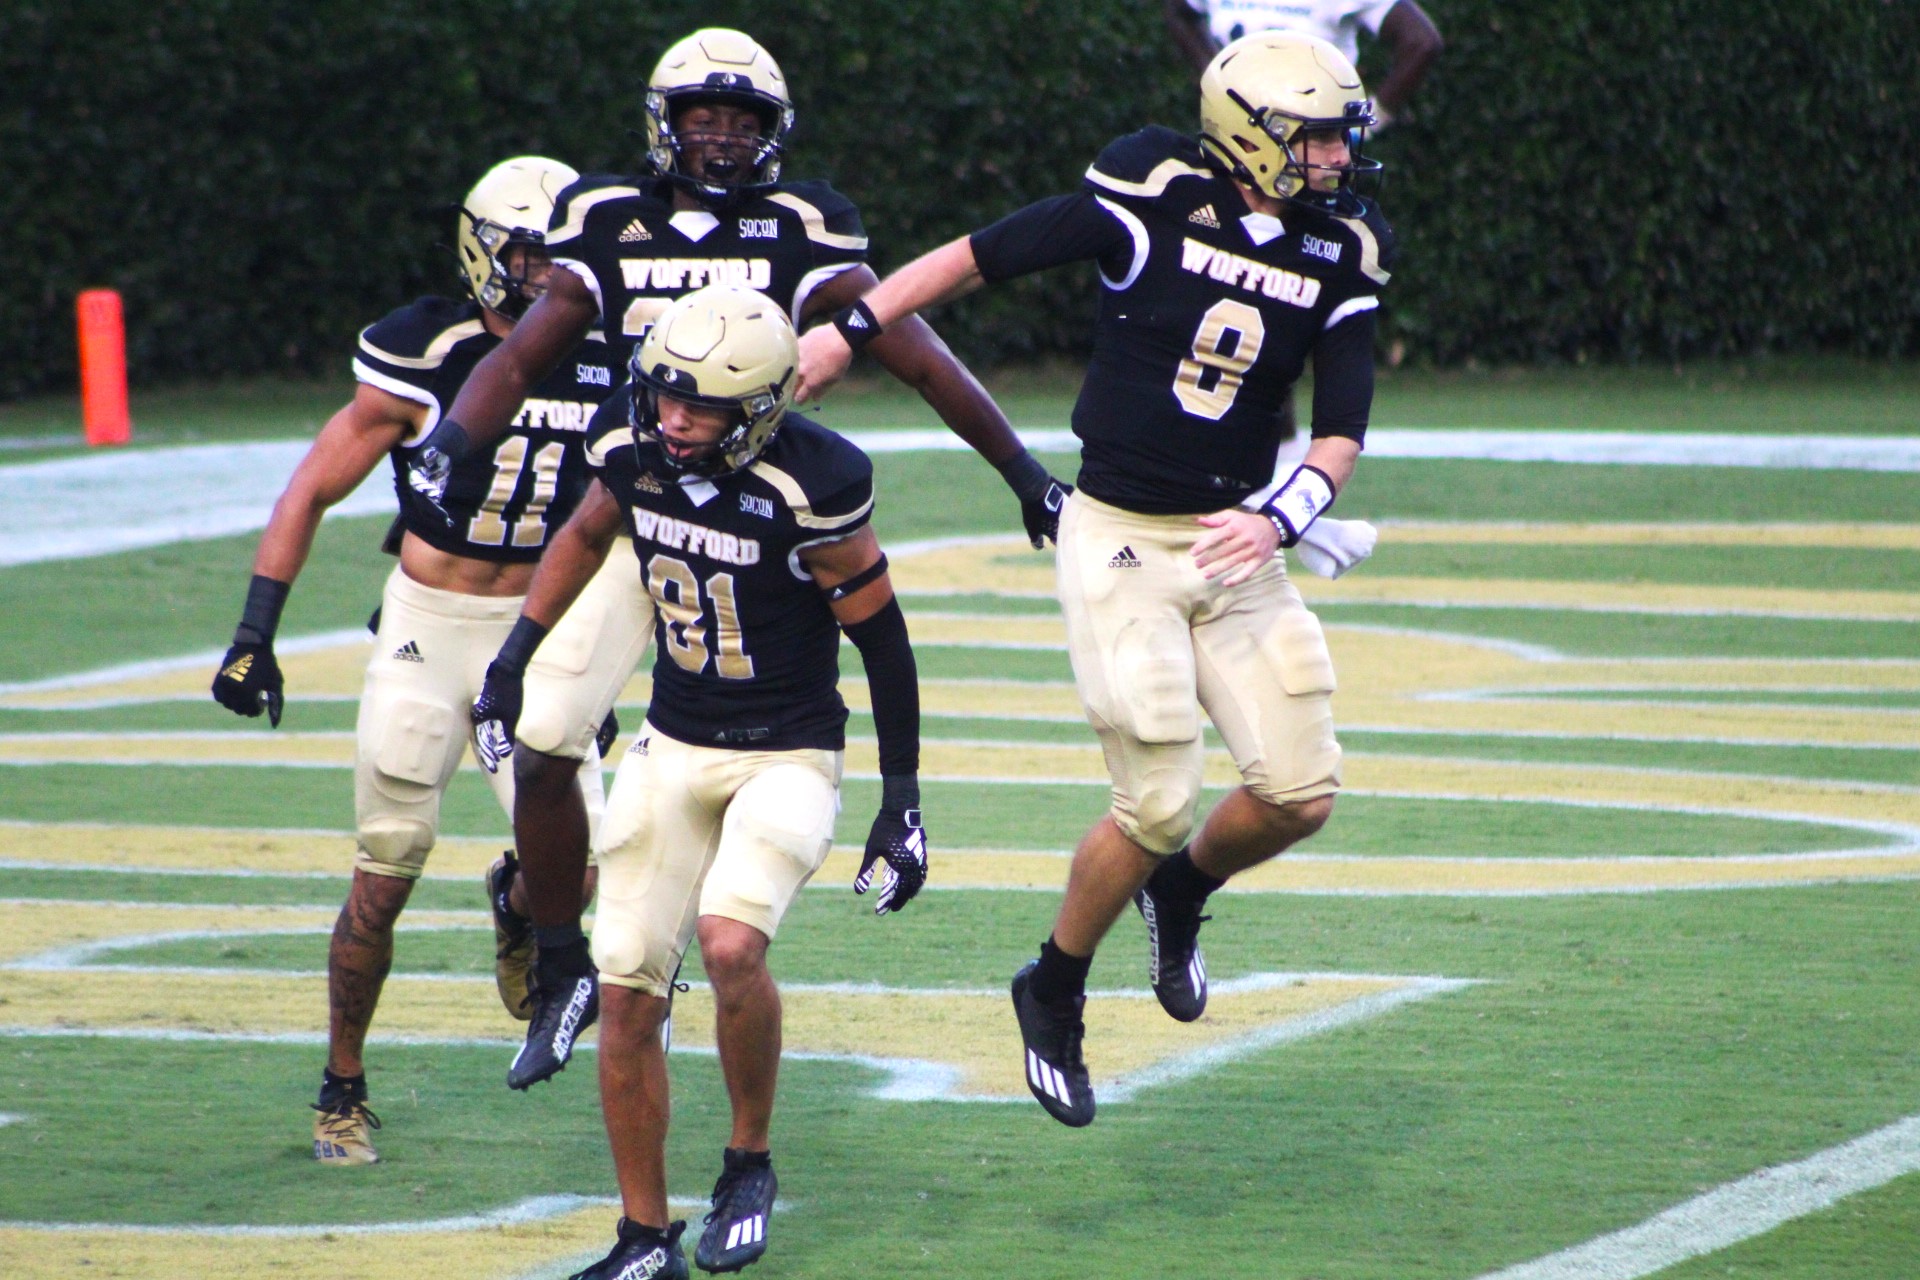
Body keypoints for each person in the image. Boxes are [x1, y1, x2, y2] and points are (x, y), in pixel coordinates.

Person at [410, 27, 1064, 1092]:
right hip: (636, 511)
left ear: (774, 132)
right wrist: (449, 442)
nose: (720, 137)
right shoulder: (607, 220)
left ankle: (693, 923)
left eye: (741, 119)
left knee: (752, 728)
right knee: (542, 740)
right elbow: (522, 354)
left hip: (762, 528)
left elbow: (916, 351)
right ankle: (563, 963)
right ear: (664, 124)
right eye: (702, 117)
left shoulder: (800, 226)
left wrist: (1023, 471)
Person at [797, 31, 1394, 1127]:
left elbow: (1342, 429)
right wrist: (851, 329)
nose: (1336, 157)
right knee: (1156, 799)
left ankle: (1182, 888)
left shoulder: (1343, 246)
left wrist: (1284, 515)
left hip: (1233, 536)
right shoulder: (1149, 190)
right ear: (1248, 135)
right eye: (1312, 137)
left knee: (1299, 794)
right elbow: (975, 256)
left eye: (1336, 137)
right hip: (1118, 533)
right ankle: (1055, 985)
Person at [470, 285, 927, 1278]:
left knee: (728, 943)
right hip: (672, 745)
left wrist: (902, 801)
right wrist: (513, 659)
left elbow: (884, 643)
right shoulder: (632, 448)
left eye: (700, 407)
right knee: (628, 985)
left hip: (787, 753)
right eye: (665, 396)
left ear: (758, 409)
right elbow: (585, 531)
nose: (673, 420)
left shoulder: (814, 483)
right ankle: (644, 1238)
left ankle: (747, 1162)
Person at [210, 156, 618, 1164]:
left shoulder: (613, 351)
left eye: (559, 256)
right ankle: (341, 1086)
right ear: (482, 252)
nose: (544, 274)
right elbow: (311, 487)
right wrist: (256, 632)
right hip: (427, 626)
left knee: (584, 861)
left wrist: (601, 654)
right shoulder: (427, 351)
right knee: (386, 865)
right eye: (527, 254)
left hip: (541, 627)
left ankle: (516, 902)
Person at [1164, 0, 1443, 128]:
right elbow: (1179, 10)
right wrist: (1215, 76)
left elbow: (1421, 41)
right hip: (1235, 128)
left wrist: (1371, 120)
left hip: (1312, 135)